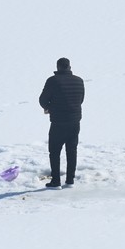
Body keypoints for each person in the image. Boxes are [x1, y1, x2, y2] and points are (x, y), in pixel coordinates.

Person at [39, 57, 85, 188]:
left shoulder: (52, 81)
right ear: (69, 67)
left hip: (58, 122)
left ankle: (56, 181)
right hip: (75, 121)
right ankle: (70, 180)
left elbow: (43, 100)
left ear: (58, 67)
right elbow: (80, 100)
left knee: (54, 152)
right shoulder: (79, 81)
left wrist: (49, 107)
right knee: (72, 150)